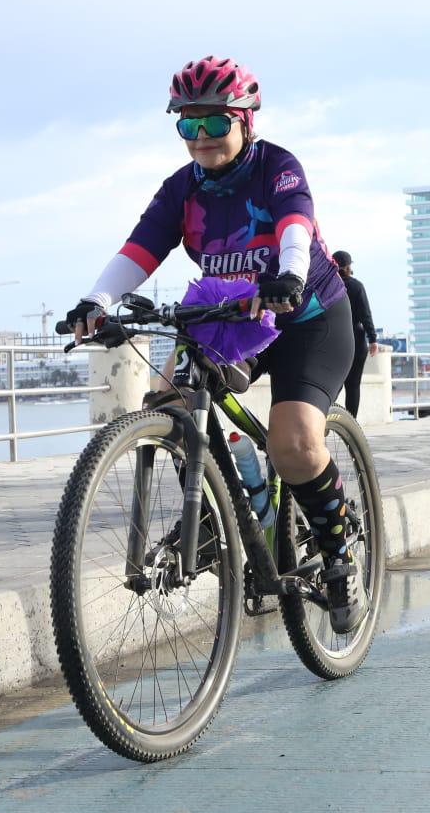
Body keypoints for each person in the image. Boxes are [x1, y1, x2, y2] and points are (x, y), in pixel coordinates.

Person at [65, 56, 366, 634]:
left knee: (296, 443)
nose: (200, 139)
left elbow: (295, 226)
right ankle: (212, 517)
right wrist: (96, 302)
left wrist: (290, 276)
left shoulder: (277, 167)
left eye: (213, 124)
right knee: (169, 404)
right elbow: (139, 251)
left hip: (307, 316)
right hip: (232, 318)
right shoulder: (182, 190)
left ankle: (337, 557)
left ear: (246, 120)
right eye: (187, 125)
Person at [332, 250, 378, 418]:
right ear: (348, 266)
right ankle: (351, 428)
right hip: (356, 340)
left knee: (332, 384)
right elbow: (366, 315)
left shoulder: (328, 286)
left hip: (333, 341)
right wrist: (372, 339)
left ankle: (321, 419)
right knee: (353, 386)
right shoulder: (356, 286)